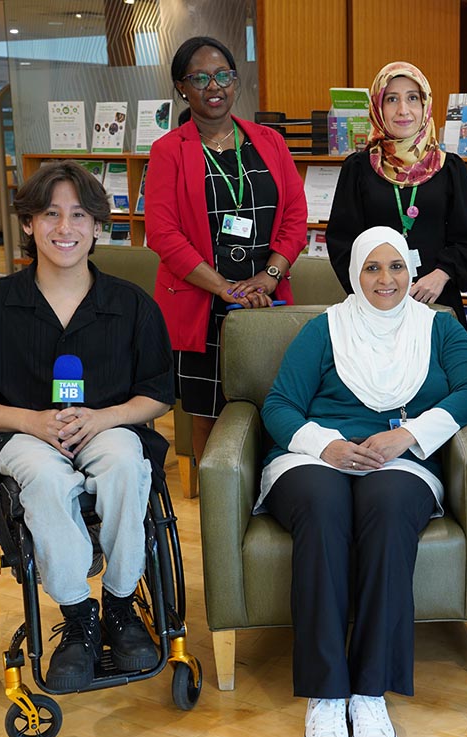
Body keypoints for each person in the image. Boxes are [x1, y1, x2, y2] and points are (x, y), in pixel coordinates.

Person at [0, 161, 176, 692]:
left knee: (124, 461)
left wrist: (105, 417)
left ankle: (120, 605)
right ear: (28, 223)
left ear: (97, 226)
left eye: (79, 215)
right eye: (50, 214)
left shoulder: (131, 305)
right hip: (21, 433)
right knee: (43, 477)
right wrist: (29, 420)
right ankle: (77, 616)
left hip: (107, 426)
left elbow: (158, 393)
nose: (65, 228)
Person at [259, 227, 467, 737]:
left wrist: (407, 436)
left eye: (396, 267)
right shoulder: (324, 329)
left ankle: (369, 691)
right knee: (323, 507)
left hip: (401, 458)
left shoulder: (439, 327)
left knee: (387, 510)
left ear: (411, 271)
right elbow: (279, 405)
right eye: (372, 268)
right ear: (354, 274)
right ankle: (325, 693)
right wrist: (328, 445)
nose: (386, 280)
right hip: (316, 455)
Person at [145, 35, 307, 462]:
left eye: (222, 75)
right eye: (200, 78)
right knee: (207, 415)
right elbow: (162, 233)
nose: (213, 86)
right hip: (202, 301)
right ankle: (216, 500)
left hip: (266, 298)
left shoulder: (269, 141)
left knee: (277, 406)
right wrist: (222, 287)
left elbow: (295, 216)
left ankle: (272, 490)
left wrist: (269, 276)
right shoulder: (168, 151)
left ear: (235, 81)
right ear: (182, 87)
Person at [326, 61, 467, 325]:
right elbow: (342, 243)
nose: (403, 110)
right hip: (375, 306)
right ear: (378, 107)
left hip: (436, 303)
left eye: (412, 98)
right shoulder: (357, 169)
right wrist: (378, 288)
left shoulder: (450, 168)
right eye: (392, 99)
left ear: (425, 105)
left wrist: (442, 274)